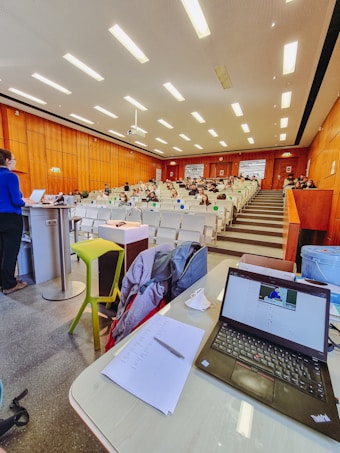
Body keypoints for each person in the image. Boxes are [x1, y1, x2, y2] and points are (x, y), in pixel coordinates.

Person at [0, 149, 35, 294]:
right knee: (10, 252)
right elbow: (15, 201)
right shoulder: (11, 176)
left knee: (1, 251)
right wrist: (25, 201)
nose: (14, 162)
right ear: (7, 161)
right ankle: (9, 285)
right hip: (10, 219)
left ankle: (3, 281)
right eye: (13, 159)